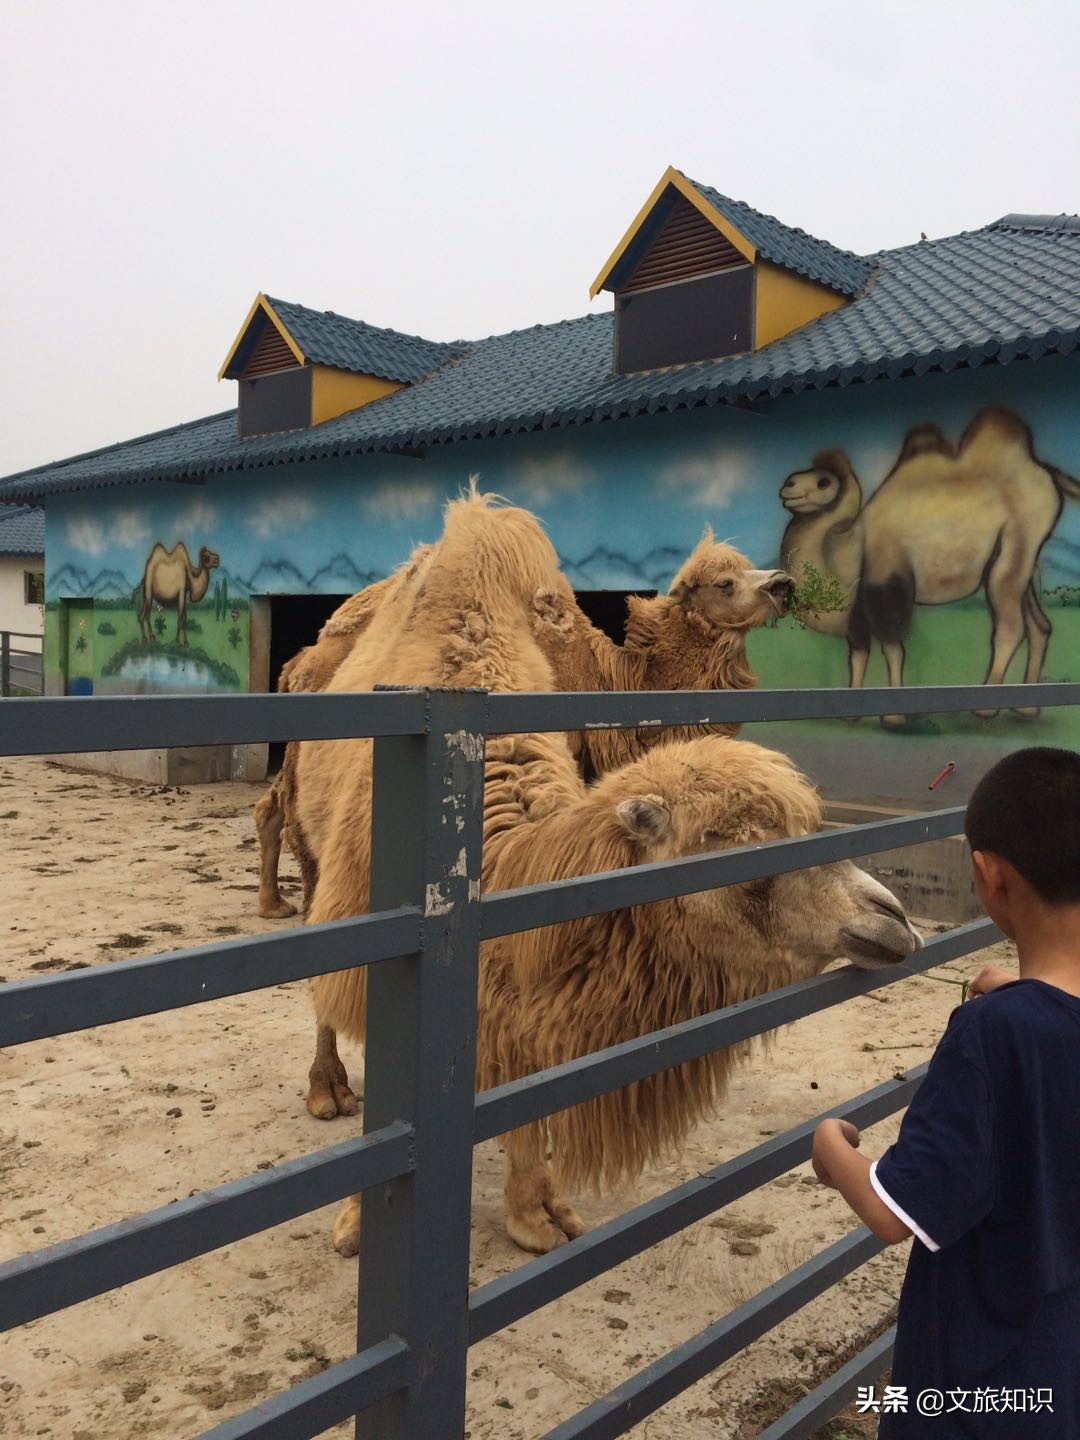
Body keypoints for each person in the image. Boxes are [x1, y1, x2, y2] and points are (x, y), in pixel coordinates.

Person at [811, 746, 1080, 1436]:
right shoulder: (1024, 1023)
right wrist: (1024, 996)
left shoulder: (992, 1035)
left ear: (989, 876)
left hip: (978, 1394)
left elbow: (891, 1213)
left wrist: (831, 1145)